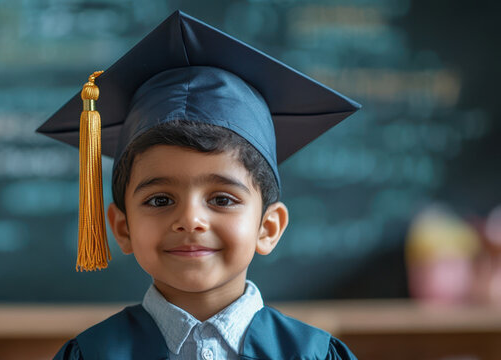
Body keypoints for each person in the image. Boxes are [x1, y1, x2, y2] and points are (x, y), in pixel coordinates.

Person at [37, 10, 361, 360]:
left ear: (268, 228)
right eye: (160, 200)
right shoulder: (92, 354)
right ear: (122, 226)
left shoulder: (312, 354)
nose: (190, 220)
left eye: (222, 199)